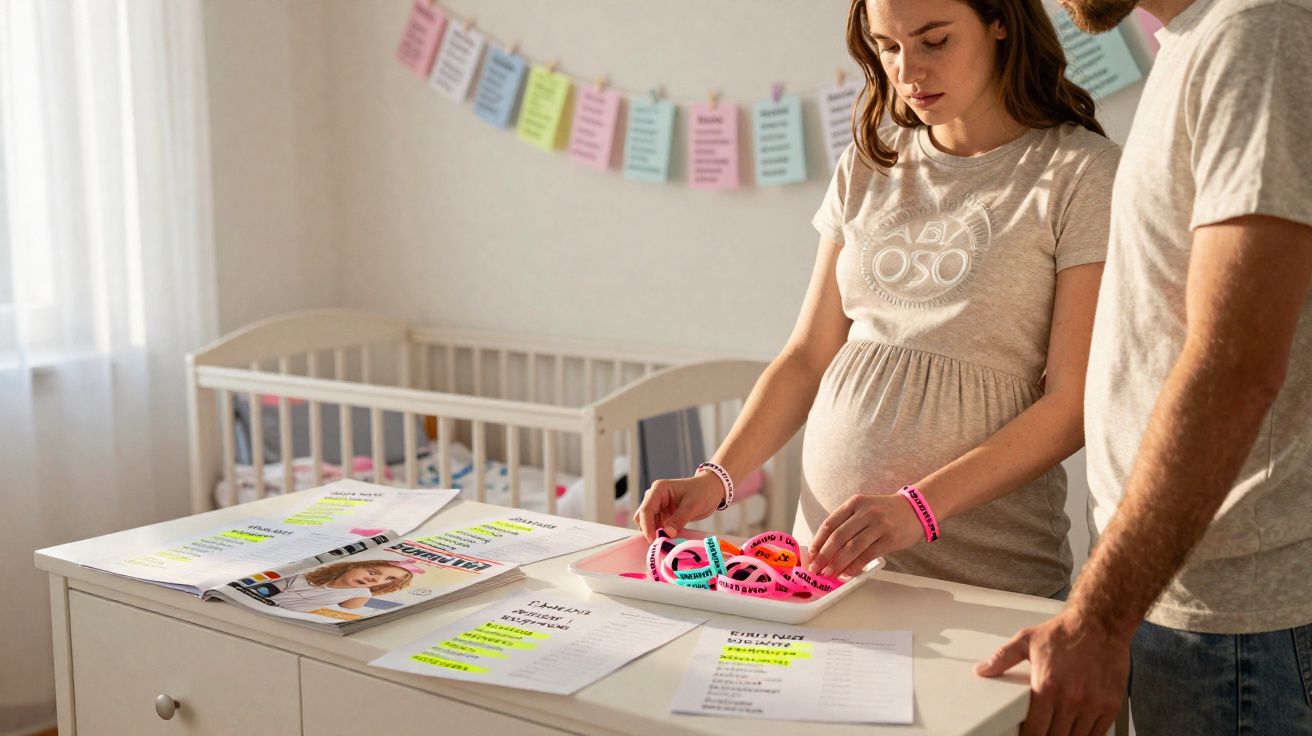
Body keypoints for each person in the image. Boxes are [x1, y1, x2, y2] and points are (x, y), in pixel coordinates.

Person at [635, 0, 1120, 600]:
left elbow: (1072, 404)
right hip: (825, 567)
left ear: (1000, 21)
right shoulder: (870, 163)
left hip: (984, 575)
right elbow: (809, 356)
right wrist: (716, 478)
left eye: (934, 41)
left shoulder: (1081, 172)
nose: (909, 71)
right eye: (888, 47)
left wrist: (916, 509)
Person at [976, 0, 1312, 732]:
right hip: (1177, 593)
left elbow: (1236, 366)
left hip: (1240, 623)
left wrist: (1096, 619)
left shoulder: (1258, 32)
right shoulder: (1196, 43)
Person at [269, 559, 417, 612]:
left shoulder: (359, 595)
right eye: (372, 572)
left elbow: (349, 608)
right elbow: (272, 589)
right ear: (353, 566)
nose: (376, 580)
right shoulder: (306, 576)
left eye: (389, 579)